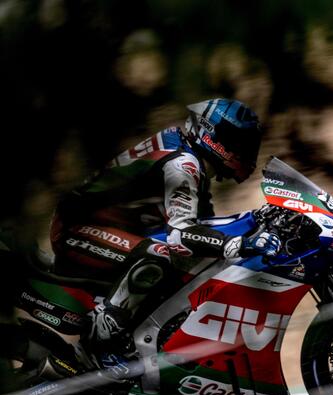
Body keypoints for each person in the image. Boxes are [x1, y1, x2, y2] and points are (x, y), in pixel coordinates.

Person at [50, 98, 281, 368]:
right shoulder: (183, 164)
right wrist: (237, 243)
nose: (245, 151)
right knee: (161, 252)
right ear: (213, 135)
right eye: (239, 142)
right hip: (76, 228)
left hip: (110, 227)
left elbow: (203, 225)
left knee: (195, 255)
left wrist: (254, 221)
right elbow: (181, 234)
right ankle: (100, 338)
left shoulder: (186, 153)